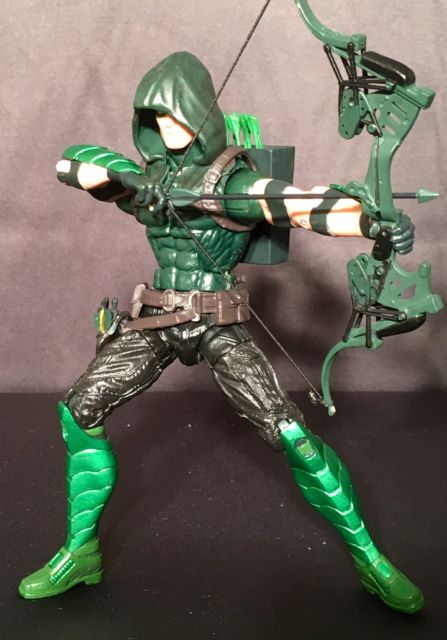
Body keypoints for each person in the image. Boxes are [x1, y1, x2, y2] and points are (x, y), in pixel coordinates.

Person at [19, 51, 421, 613]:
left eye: (174, 114)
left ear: (198, 112)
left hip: (216, 323)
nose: (165, 127)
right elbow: (73, 163)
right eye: (154, 118)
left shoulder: (235, 182)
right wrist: (135, 180)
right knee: (78, 409)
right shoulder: (150, 178)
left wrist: (370, 220)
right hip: (158, 318)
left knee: (291, 433)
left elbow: (297, 204)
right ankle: (80, 552)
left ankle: (371, 560)